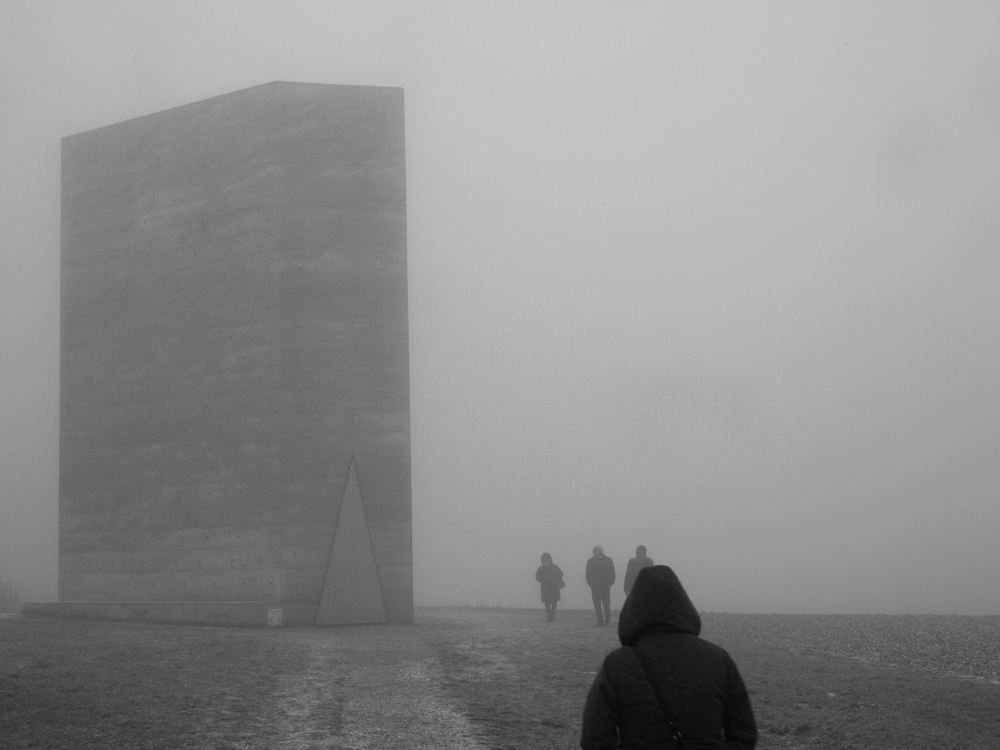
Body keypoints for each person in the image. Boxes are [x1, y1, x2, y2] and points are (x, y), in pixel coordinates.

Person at [580, 566, 757, 750]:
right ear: (684, 606)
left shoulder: (618, 664)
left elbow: (594, 738)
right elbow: (744, 733)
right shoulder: (719, 659)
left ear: (634, 609)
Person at [585, 545, 616, 626]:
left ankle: (607, 619)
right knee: (597, 603)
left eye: (597, 551)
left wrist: (610, 582)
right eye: (594, 551)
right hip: (595, 585)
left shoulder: (608, 560)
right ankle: (600, 620)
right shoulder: (590, 561)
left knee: (606, 602)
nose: (595, 553)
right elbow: (588, 573)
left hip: (605, 585)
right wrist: (590, 582)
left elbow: (612, 573)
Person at [535, 552, 565, 622]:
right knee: (547, 603)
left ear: (550, 560)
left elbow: (561, 574)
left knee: (554, 602)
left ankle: (553, 615)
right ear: (542, 561)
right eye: (544, 560)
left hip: (554, 588)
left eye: (547, 560)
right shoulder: (540, 569)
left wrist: (554, 579)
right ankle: (549, 617)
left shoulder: (555, 567)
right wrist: (544, 580)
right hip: (545, 589)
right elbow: (537, 577)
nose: (546, 562)